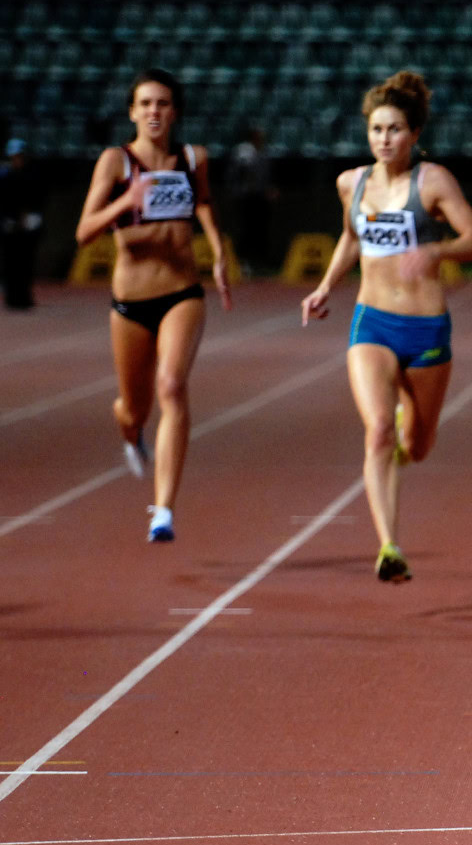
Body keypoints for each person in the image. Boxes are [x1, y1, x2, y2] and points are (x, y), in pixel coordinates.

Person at [300, 71, 472, 583]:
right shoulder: (351, 182)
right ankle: (389, 545)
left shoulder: (433, 182)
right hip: (372, 322)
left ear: (415, 136)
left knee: (419, 446)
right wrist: (324, 286)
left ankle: (413, 424)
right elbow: (351, 239)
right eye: (377, 130)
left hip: (426, 330)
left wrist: (435, 250)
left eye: (395, 130)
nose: (384, 139)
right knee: (379, 430)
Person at [72, 69, 233, 542]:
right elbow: (84, 233)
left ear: (175, 111)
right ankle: (128, 430)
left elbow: (203, 202)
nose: (154, 112)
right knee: (134, 406)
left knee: (172, 385)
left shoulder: (191, 157)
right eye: (145, 104)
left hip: (183, 291)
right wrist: (127, 202)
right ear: (132, 112)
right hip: (130, 301)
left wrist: (219, 253)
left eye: (162, 104)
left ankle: (162, 510)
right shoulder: (115, 162)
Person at [223, 125, 276, 273]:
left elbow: (267, 176)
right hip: (244, 197)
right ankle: (242, 262)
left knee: (259, 230)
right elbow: (236, 174)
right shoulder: (242, 152)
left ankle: (259, 262)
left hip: (260, 197)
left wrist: (268, 189)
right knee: (244, 229)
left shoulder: (264, 152)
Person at [1, 136, 46, 310]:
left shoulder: (33, 176)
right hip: (10, 226)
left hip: (28, 226)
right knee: (10, 262)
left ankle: (24, 296)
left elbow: (39, 199)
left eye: (19, 156)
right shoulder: (6, 177)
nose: (16, 160)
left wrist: (29, 216)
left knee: (26, 261)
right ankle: (11, 297)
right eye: (13, 157)